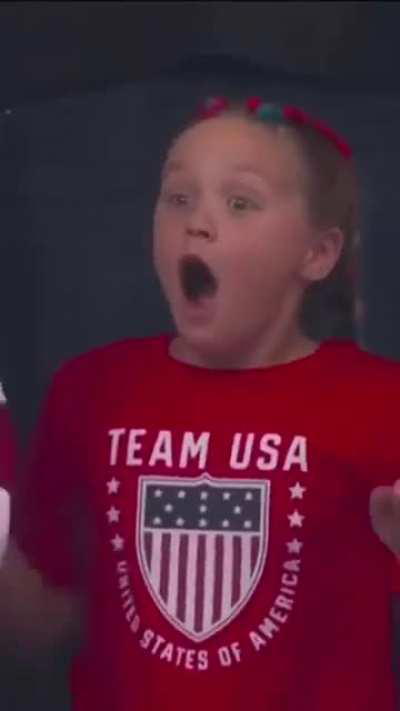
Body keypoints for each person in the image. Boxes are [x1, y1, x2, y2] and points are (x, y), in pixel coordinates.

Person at [2, 96, 400, 711]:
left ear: (317, 254)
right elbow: (39, 630)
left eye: (239, 203)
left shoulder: (382, 402)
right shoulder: (90, 389)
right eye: (178, 198)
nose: (197, 222)